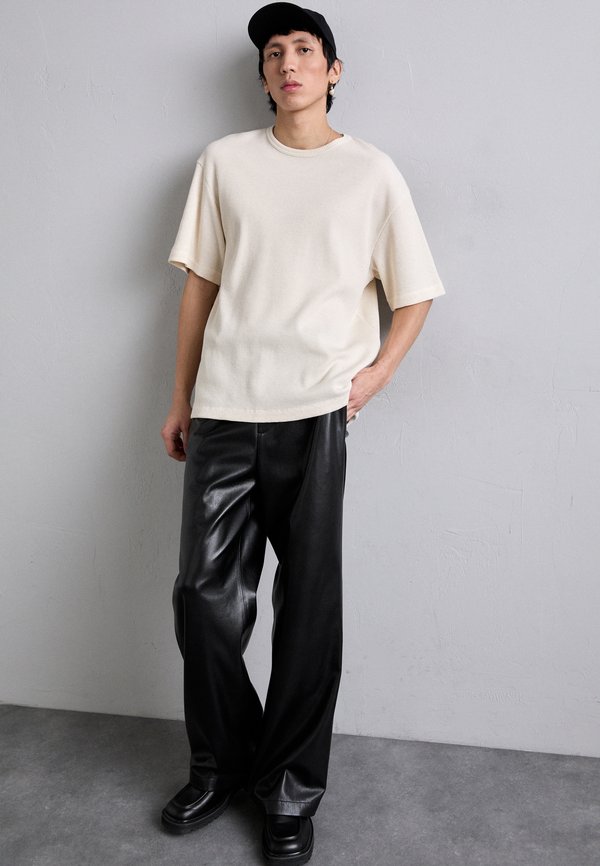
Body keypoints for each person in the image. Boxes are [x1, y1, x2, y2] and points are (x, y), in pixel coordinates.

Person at [159, 3, 446, 863]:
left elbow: (415, 292)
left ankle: (288, 791)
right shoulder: (225, 163)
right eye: (275, 53)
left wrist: (373, 378)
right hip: (224, 407)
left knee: (309, 614)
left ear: (332, 71)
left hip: (315, 413)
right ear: (263, 75)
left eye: (305, 50)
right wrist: (180, 399)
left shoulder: (371, 173)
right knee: (203, 603)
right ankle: (224, 763)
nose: (289, 63)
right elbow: (200, 289)